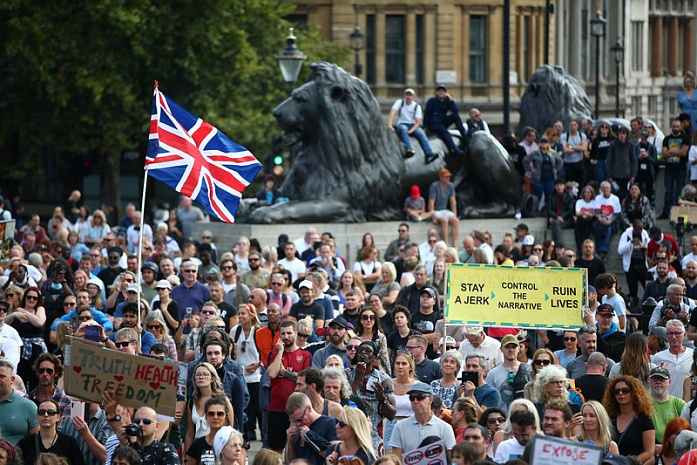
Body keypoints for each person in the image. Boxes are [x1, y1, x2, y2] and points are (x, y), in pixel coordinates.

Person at [267, 321, 312, 453]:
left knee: (297, 449)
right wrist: (280, 351)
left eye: (289, 333)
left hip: (298, 410)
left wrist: (285, 372)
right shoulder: (274, 354)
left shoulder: (305, 355)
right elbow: (273, 373)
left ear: (296, 333)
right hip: (276, 408)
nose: (286, 336)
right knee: (276, 449)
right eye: (283, 334)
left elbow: (304, 380)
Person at [348, 340, 395, 451]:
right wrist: (357, 379)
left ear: (374, 357)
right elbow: (345, 403)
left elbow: (391, 415)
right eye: (360, 350)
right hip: (351, 433)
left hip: (374, 436)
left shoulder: (384, 379)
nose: (363, 353)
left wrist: (382, 398)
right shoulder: (346, 374)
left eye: (368, 351)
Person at [389, 382, 456, 456]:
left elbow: (450, 459)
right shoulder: (400, 427)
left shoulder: (445, 428)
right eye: (412, 398)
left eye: (420, 397)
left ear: (430, 400)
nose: (415, 401)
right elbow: (396, 460)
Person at [603, 375, 655, 462]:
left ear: (634, 393)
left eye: (625, 390)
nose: (620, 393)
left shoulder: (644, 419)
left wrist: (628, 462)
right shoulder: (610, 417)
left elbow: (649, 452)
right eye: (616, 391)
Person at [17, 399, 85, 465]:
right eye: (42, 412)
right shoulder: (26, 443)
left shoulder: (69, 443)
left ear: (58, 417)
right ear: (37, 416)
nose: (46, 415)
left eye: (51, 412)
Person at [184, 363, 235, 450]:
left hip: (217, 445)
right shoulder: (192, 401)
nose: (201, 377)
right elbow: (189, 433)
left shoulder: (223, 400)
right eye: (198, 375)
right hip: (198, 447)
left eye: (205, 374)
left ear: (212, 378)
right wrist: (188, 456)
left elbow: (230, 427)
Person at [284, 392, 339, 465]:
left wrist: (310, 437)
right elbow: (291, 462)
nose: (298, 424)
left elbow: (335, 456)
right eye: (293, 421)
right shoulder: (298, 430)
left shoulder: (330, 423)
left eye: (300, 419)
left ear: (309, 408)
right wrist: (290, 443)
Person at [485, 334, 531, 413]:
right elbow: (489, 400)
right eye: (507, 347)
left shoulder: (528, 370)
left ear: (518, 348)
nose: (511, 350)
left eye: (514, 347)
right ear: (501, 349)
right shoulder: (493, 374)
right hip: (502, 419)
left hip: (524, 417)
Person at [26, 353, 72, 431]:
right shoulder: (27, 399)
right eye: (41, 370)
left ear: (56, 373)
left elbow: (62, 430)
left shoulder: (65, 400)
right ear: (37, 373)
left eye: (49, 371)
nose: (45, 374)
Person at [388, 88, 435, 162]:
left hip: (412, 125)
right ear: (404, 96)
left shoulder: (417, 106)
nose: (408, 97)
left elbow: (418, 122)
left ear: (413, 97)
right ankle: (408, 149)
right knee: (403, 129)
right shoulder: (400, 102)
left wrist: (411, 131)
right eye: (407, 95)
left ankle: (429, 153)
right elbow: (393, 112)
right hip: (402, 124)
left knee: (421, 133)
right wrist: (390, 124)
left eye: (410, 95)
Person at [652, 319, 693, 398]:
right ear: (667, 335)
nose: (674, 337)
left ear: (684, 335)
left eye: (677, 333)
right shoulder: (658, 358)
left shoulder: (692, 356)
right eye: (670, 333)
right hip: (665, 404)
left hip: (687, 405)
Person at [0, 359, 39, 443]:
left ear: (12, 380)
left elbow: (36, 443)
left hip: (17, 455)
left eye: (1, 376)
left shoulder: (28, 406)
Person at [423, 84, 467, 157]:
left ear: (446, 93)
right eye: (439, 91)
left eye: (443, 91)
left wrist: (451, 100)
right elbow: (426, 115)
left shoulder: (447, 101)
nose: (441, 92)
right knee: (444, 131)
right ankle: (454, 149)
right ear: (436, 93)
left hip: (442, 121)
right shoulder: (432, 101)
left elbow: (455, 110)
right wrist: (425, 127)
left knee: (455, 116)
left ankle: (465, 136)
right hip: (434, 123)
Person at [660, 118, 692, 219]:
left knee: (680, 191)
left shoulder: (685, 138)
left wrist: (670, 152)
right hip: (669, 168)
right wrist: (676, 152)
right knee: (668, 191)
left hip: (681, 169)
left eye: (677, 127)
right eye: (674, 126)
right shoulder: (666, 139)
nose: (675, 128)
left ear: (680, 127)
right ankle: (666, 212)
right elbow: (664, 153)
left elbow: (683, 153)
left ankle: (678, 212)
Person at [186, 396, 232, 465]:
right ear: (206, 417)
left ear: (226, 416)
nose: (215, 417)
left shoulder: (236, 442)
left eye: (220, 414)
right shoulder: (197, 445)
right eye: (211, 414)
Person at [648, 366, 686, 443]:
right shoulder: (642, 404)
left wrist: (665, 447)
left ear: (669, 382)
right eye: (655, 379)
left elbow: (686, 432)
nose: (658, 382)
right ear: (649, 382)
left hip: (673, 450)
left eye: (662, 379)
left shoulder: (679, 404)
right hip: (649, 450)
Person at [523, 136, 563, 203]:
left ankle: (547, 212)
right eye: (542, 142)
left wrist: (556, 169)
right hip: (538, 179)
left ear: (548, 144)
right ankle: (535, 212)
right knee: (536, 198)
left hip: (550, 179)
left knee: (549, 198)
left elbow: (560, 161)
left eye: (545, 142)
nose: (544, 144)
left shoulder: (553, 153)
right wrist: (531, 169)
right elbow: (525, 160)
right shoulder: (535, 153)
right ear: (540, 144)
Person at [428, 168, 458, 247]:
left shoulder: (450, 186)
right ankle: (446, 243)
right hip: (436, 210)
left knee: (455, 220)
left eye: (449, 177)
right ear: (441, 177)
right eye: (446, 177)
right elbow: (431, 202)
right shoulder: (434, 186)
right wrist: (433, 216)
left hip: (445, 209)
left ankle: (454, 243)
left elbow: (453, 200)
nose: (448, 179)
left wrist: (454, 214)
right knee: (444, 220)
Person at [606, 127, 638, 200]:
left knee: (627, 195)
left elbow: (634, 161)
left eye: (624, 134)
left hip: (627, 175)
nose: (622, 135)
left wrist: (633, 175)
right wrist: (609, 175)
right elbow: (609, 160)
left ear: (626, 135)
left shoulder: (630, 145)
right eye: (620, 133)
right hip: (615, 175)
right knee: (617, 195)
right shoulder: (613, 145)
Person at [560, 120, 589, 186]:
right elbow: (565, 150)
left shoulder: (582, 135)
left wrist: (570, 146)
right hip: (568, 163)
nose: (573, 127)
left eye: (574, 125)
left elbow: (584, 148)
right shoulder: (564, 136)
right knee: (569, 184)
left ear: (577, 126)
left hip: (579, 163)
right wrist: (578, 148)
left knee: (580, 183)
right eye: (571, 125)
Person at [678, 71, 697, 136]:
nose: (688, 84)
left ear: (692, 82)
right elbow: (679, 107)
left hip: (695, 116)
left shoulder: (696, 93)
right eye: (686, 82)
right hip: (685, 118)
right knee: (687, 134)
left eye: (689, 82)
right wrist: (682, 116)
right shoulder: (681, 95)